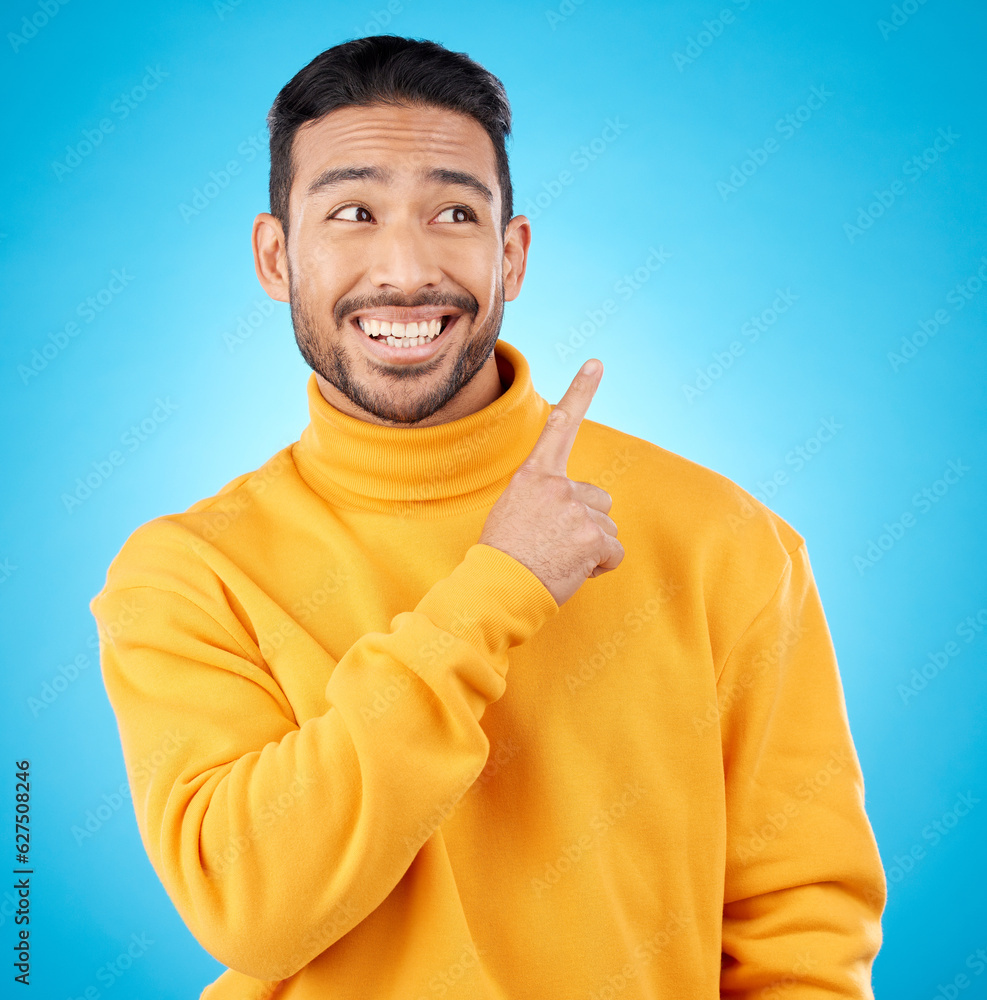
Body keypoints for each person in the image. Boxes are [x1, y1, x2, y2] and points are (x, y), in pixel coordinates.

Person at [90, 34, 887, 999]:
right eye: (351, 211)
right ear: (275, 256)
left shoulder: (721, 537)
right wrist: (496, 588)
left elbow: (800, 927)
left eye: (453, 212)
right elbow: (251, 906)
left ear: (509, 255)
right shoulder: (186, 575)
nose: (405, 267)